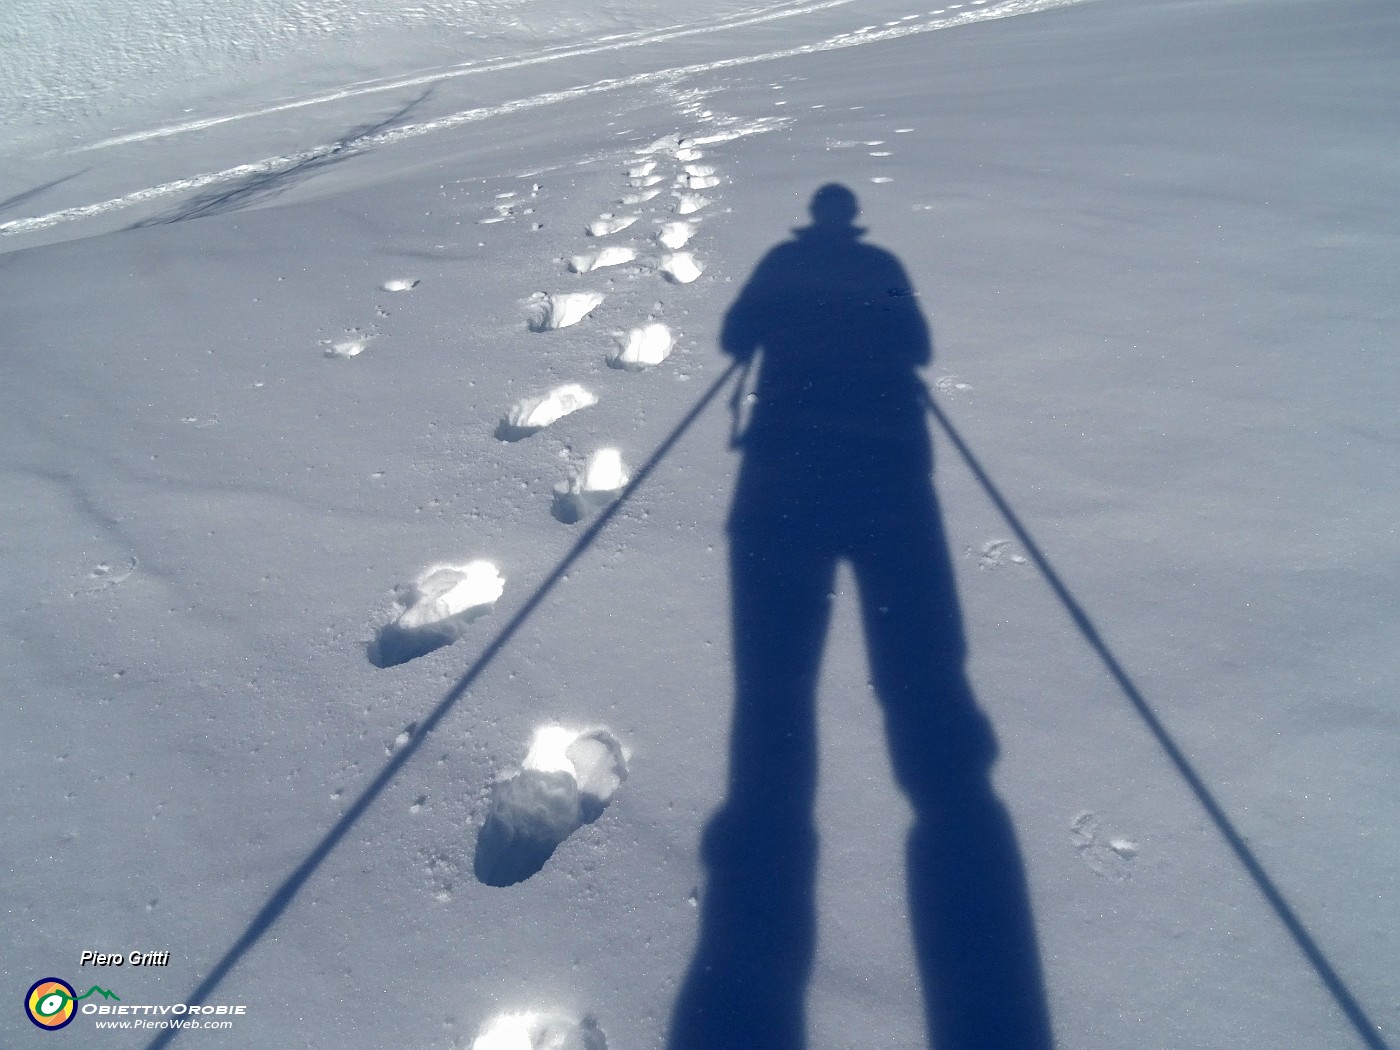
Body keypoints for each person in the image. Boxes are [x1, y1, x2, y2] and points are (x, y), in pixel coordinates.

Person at [668, 184, 1055, 1050]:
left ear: (814, 217)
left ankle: (761, 863)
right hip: (885, 479)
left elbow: (735, 339)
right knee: (919, 677)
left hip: (781, 481)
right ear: (854, 220)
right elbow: (917, 345)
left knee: (774, 690)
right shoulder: (881, 265)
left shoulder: (781, 261)